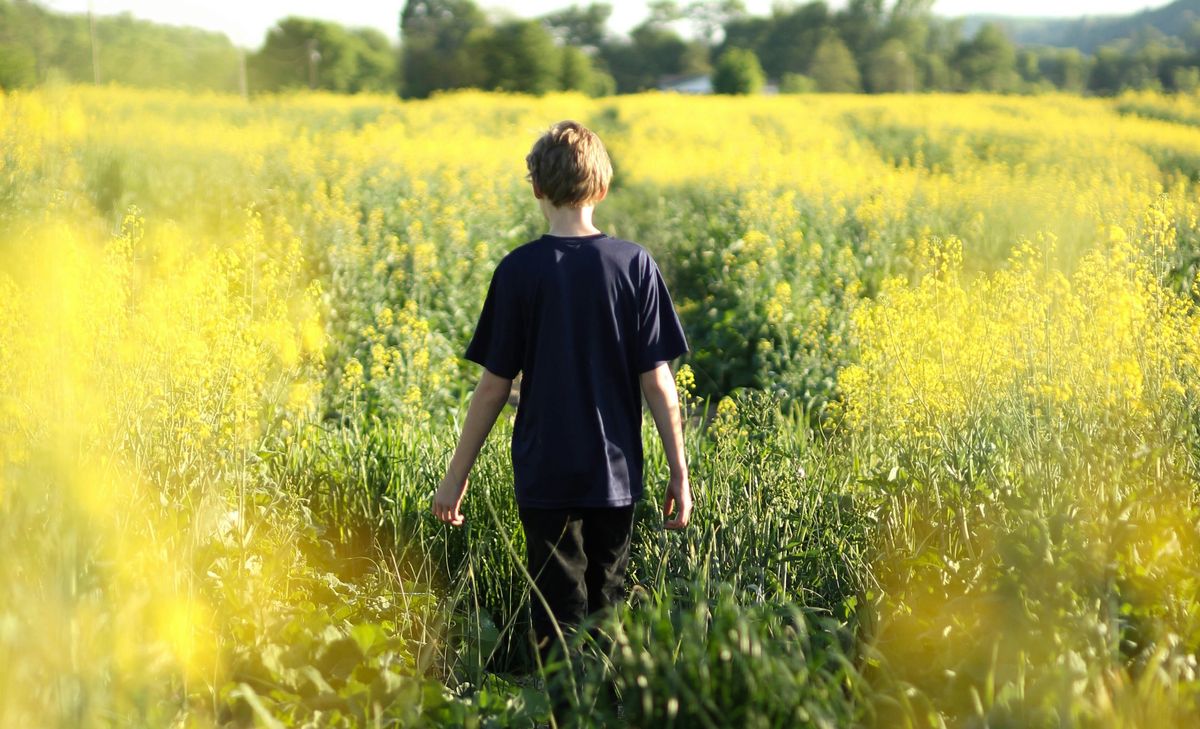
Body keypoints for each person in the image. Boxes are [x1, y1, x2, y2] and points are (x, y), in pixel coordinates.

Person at [431, 119, 692, 725]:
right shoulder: (634, 265)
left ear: (536, 190)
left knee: (556, 609)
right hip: (617, 474)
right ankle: (611, 712)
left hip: (545, 472)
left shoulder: (519, 270)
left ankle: (562, 715)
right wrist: (680, 472)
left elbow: (494, 387)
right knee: (610, 603)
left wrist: (455, 477)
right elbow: (659, 382)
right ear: (601, 186)